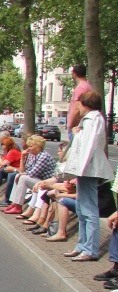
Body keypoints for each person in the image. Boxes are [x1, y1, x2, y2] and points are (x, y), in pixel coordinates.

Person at [62, 91, 113, 262]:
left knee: (89, 209)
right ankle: (82, 245)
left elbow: (89, 145)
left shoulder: (93, 119)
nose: (77, 107)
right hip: (86, 169)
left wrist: (79, 168)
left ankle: (90, 248)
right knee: (82, 207)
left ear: (85, 104)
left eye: (78, 103)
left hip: (88, 169)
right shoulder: (92, 120)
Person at [2, 135, 55, 215]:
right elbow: (23, 170)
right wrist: (22, 157)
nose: (29, 148)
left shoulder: (44, 156)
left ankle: (18, 206)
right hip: (37, 179)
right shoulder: (32, 155)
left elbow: (32, 173)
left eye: (31, 146)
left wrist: (20, 173)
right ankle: (14, 203)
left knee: (22, 178)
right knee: (18, 176)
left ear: (39, 147)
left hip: (45, 182)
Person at [67, 64, 94, 140]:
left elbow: (77, 109)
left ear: (74, 74)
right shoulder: (88, 86)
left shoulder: (80, 88)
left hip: (77, 126)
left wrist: (70, 125)